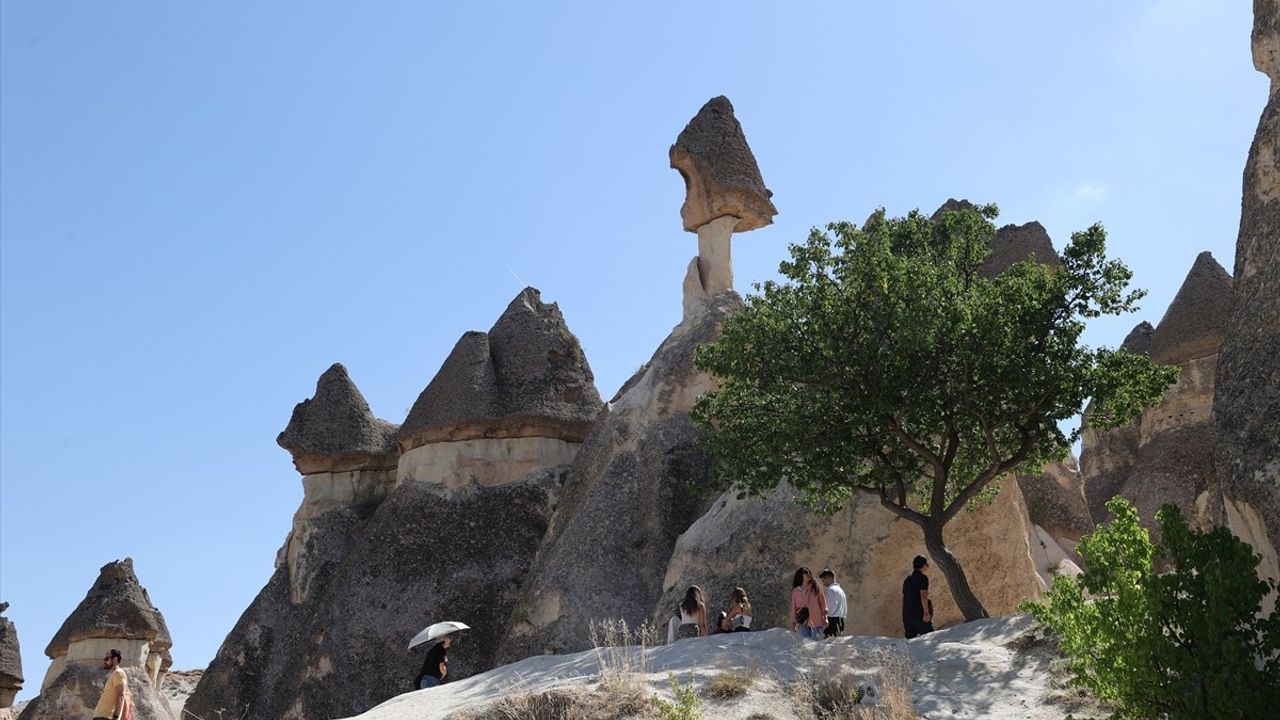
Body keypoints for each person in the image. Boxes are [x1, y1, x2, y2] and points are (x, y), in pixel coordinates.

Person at [790, 567, 828, 640]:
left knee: (816, 644)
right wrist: (793, 624)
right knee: (804, 644)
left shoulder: (816, 588)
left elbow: (823, 603)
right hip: (802, 621)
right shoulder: (795, 591)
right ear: (800, 576)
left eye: (809, 573)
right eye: (806, 573)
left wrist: (825, 617)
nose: (808, 574)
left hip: (816, 621)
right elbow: (793, 608)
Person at [902, 555, 934, 639]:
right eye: (927, 565)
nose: (927, 567)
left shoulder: (907, 580)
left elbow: (905, 597)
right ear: (923, 566)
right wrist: (926, 612)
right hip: (918, 612)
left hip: (907, 613)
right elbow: (923, 595)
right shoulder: (923, 578)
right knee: (930, 637)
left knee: (911, 640)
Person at [92, 648, 128, 720]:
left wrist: (116, 717)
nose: (104, 661)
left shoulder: (118, 673)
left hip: (106, 717)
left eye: (107, 659)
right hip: (102, 716)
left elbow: (121, 695)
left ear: (115, 659)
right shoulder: (114, 674)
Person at [819, 569, 848, 637]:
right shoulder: (841, 590)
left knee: (828, 645)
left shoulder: (831, 590)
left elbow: (829, 608)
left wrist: (823, 617)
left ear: (829, 578)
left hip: (832, 622)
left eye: (823, 580)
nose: (823, 583)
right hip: (841, 621)